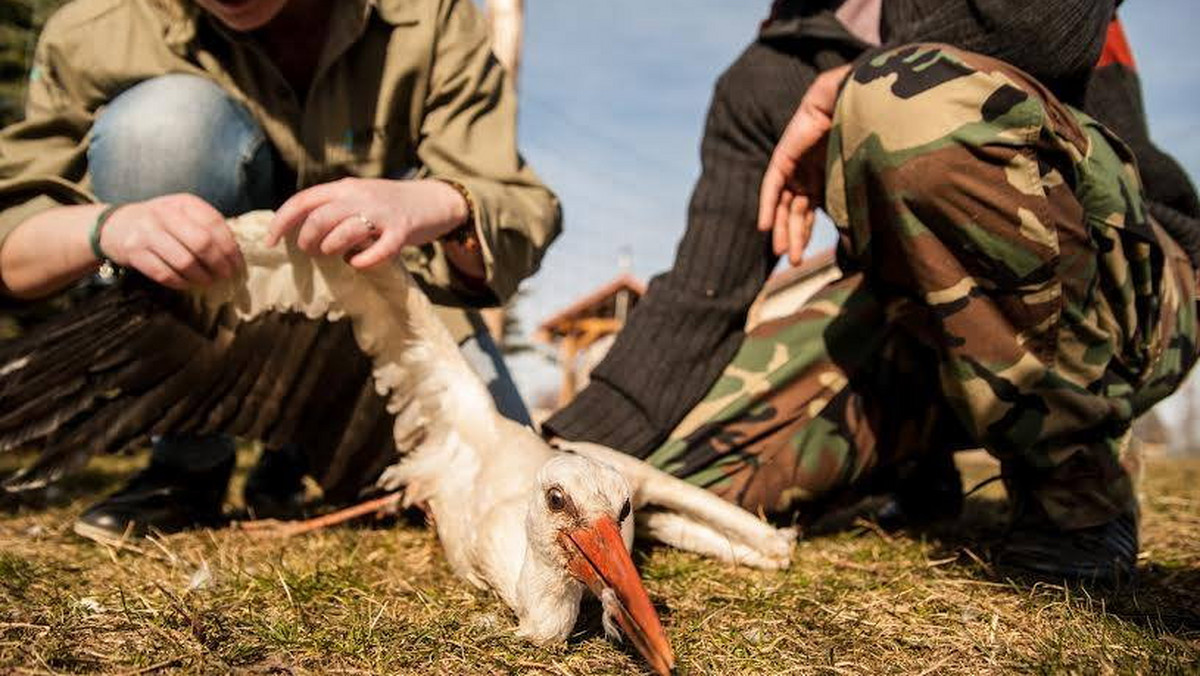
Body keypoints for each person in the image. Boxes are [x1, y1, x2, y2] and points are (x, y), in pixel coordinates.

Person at [545, 0, 1200, 583]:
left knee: (901, 101)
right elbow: (701, 295)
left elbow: (1046, 27)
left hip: (1132, 293)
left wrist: (847, 91)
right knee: (672, 480)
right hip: (921, 325)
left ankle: (1078, 491)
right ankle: (908, 458)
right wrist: (549, 454)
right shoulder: (769, 68)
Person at [0, 0, 561, 542]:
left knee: (514, 491)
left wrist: (433, 204)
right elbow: (12, 241)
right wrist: (109, 227)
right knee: (161, 134)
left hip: (388, 311)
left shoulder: (430, 15)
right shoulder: (97, 28)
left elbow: (520, 206)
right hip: (204, 332)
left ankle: (297, 452)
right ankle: (190, 462)